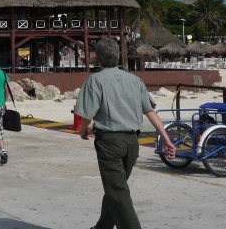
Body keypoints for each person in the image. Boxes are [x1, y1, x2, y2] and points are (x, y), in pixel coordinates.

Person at [75, 39, 176, 229]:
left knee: (117, 190)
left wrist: (83, 130)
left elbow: (86, 113)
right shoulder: (134, 80)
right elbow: (150, 111)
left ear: (98, 58)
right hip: (132, 143)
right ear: (118, 56)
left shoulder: (95, 80)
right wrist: (166, 138)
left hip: (109, 142)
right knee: (116, 188)